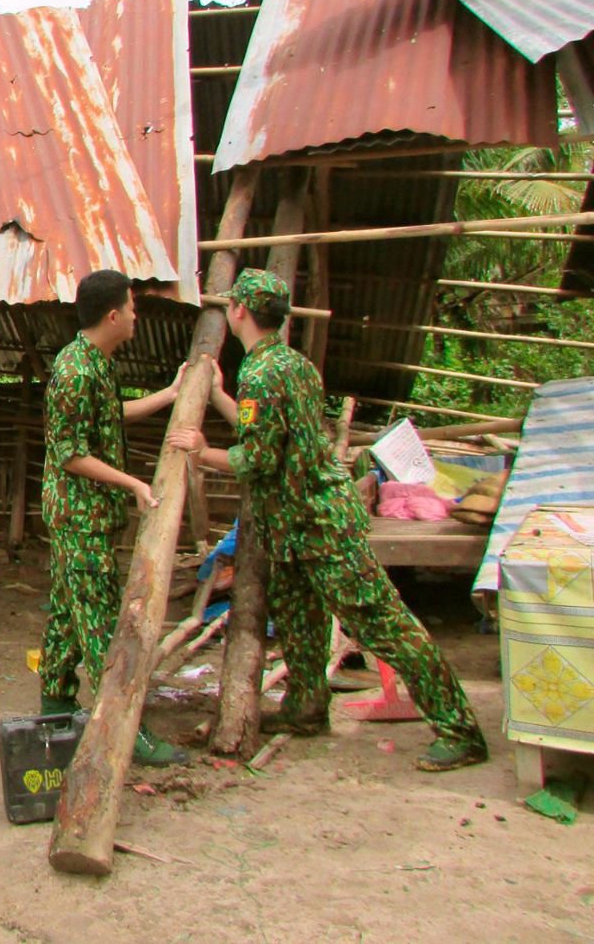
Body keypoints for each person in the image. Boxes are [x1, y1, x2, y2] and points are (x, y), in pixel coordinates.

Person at [168, 268, 488, 771]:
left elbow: (258, 459)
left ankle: (460, 730)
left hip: (318, 525)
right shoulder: (294, 365)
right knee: (301, 622)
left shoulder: (263, 373)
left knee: (384, 624)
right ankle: (306, 707)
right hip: (295, 530)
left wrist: (203, 451)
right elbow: (269, 428)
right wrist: (220, 397)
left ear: (239, 312)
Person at [41, 269, 188, 767]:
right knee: (102, 626)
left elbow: (109, 415)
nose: (135, 316)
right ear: (112, 315)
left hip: (90, 518)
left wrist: (169, 395)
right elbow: (70, 453)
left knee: (66, 615)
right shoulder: (74, 371)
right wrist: (133, 484)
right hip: (78, 520)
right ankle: (128, 729)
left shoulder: (98, 364)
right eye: (131, 308)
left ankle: (55, 706)